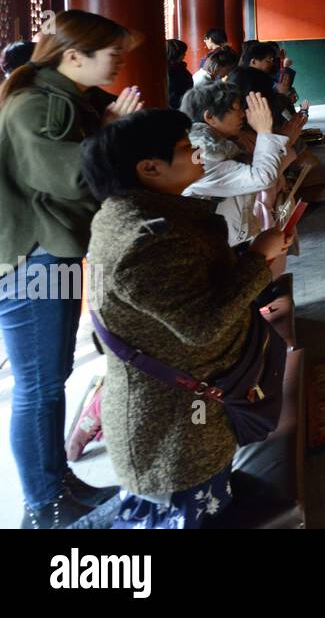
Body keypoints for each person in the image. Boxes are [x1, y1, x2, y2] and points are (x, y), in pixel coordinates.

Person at [82, 109, 290, 529]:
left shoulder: (138, 216)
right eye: (183, 148)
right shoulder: (146, 240)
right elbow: (202, 324)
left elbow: (191, 288)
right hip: (177, 426)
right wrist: (257, 260)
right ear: (149, 168)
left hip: (186, 410)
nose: (197, 152)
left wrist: (252, 253)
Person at [0, 9, 142, 528]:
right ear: (74, 57)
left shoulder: (62, 99)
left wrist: (104, 127)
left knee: (50, 379)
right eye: (112, 54)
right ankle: (44, 505)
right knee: (38, 385)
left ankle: (58, 484)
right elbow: (75, 180)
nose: (119, 63)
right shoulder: (35, 107)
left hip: (47, 253)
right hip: (30, 259)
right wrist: (112, 135)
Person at [181, 84, 290, 244]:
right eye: (236, 109)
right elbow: (263, 177)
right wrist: (264, 131)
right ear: (210, 117)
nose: (243, 115)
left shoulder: (223, 146)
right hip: (217, 245)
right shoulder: (203, 153)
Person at [165, 38, 193, 110]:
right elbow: (172, 97)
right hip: (179, 107)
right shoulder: (170, 71)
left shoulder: (180, 68)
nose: (184, 55)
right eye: (183, 53)